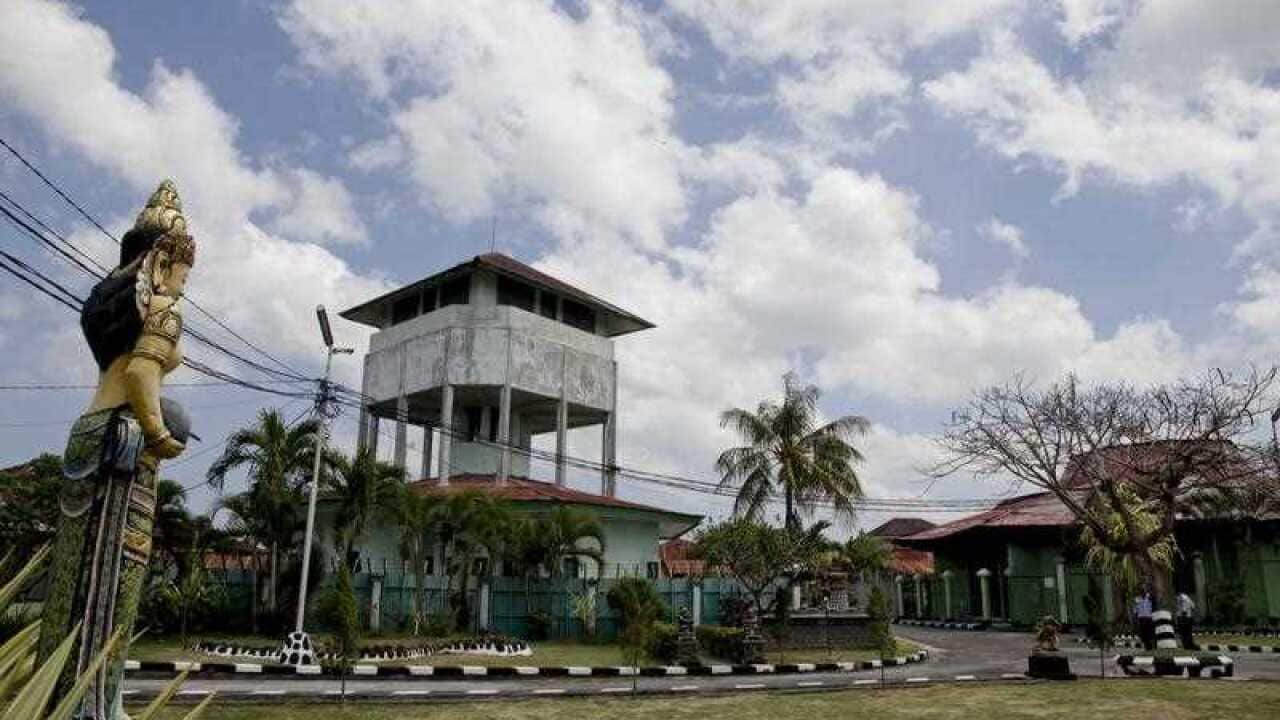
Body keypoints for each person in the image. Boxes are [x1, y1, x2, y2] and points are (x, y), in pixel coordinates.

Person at [37, 181, 195, 719]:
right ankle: (96, 705)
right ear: (166, 261)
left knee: (69, 577)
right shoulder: (164, 308)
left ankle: (56, 693)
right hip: (127, 442)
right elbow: (141, 371)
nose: (183, 282)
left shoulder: (108, 306)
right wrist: (160, 434)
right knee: (115, 581)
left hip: (87, 432)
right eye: (182, 270)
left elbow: (119, 368)